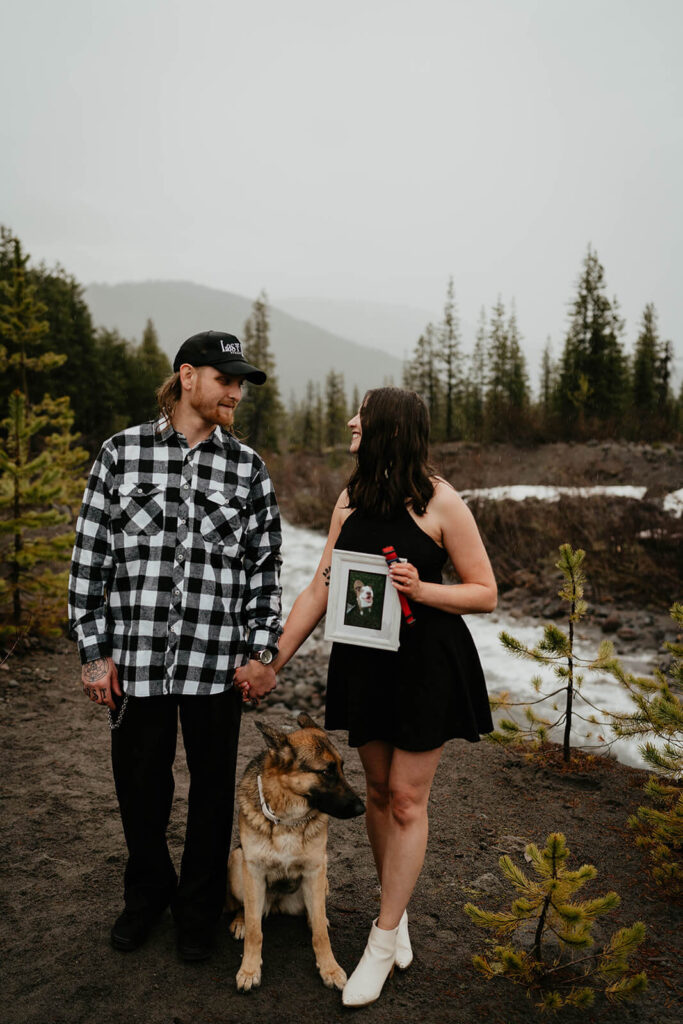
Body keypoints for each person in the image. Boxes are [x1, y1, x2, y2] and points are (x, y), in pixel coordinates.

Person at [235, 386, 496, 1007]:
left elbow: (485, 591)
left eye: (363, 415)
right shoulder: (349, 502)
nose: (352, 422)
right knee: (376, 793)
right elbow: (319, 590)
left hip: (427, 665)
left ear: (390, 429)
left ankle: (380, 944)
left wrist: (424, 589)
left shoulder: (439, 500)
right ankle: (395, 911)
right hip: (367, 663)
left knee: (406, 800)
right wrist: (272, 662)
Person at [68, 330, 282, 962]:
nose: (237, 393)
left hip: (216, 666)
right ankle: (147, 895)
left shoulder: (247, 468)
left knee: (214, 794)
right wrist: (94, 655)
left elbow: (265, 568)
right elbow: (89, 562)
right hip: (134, 664)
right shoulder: (120, 454)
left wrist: (260, 651)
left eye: (242, 383)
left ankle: (197, 910)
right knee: (139, 788)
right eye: (227, 380)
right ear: (188, 377)